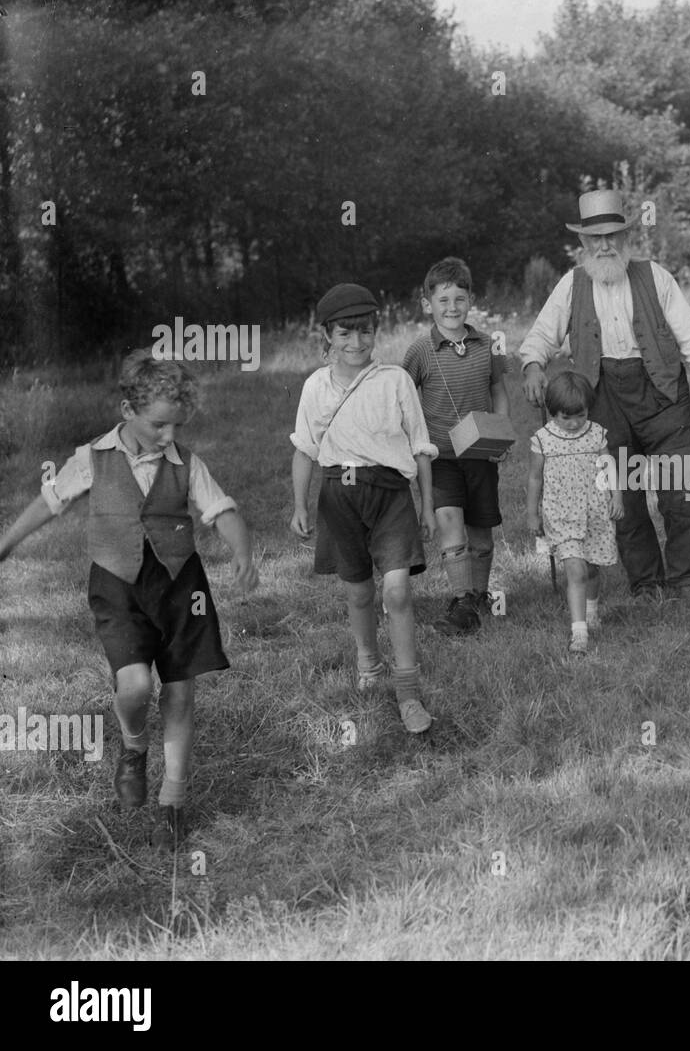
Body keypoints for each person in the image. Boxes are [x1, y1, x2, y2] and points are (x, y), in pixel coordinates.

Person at [0, 351, 258, 847]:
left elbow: (222, 510)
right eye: (159, 426)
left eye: (176, 426)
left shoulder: (187, 463)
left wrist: (242, 550)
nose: (168, 437)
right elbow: (49, 502)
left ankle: (173, 801)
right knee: (136, 686)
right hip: (117, 587)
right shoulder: (92, 457)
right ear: (127, 411)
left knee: (180, 691)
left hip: (182, 590)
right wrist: (7, 544)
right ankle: (134, 746)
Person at [518, 190, 690, 603]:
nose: (604, 245)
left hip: (662, 392)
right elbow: (542, 335)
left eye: (612, 236)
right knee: (624, 494)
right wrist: (533, 367)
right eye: (595, 238)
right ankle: (646, 583)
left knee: (681, 487)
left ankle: (687, 579)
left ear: (625, 236)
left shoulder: (655, 275)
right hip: (601, 397)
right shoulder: (572, 283)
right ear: (583, 242)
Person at [289, 283, 438, 733]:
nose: (356, 344)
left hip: (390, 493)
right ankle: (368, 663)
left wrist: (427, 506)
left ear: (377, 332)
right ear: (327, 337)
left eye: (365, 333)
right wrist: (299, 504)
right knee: (358, 591)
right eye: (344, 334)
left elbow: (420, 448)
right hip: (340, 495)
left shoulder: (394, 380)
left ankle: (408, 692)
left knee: (396, 591)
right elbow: (304, 450)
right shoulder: (315, 386)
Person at [401, 257, 511, 636]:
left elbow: (498, 388)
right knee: (449, 521)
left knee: (480, 530)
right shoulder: (418, 352)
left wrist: (501, 432)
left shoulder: (487, 345)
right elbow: (404, 397)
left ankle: (479, 595)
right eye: (443, 300)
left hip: (479, 453)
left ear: (471, 301)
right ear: (427, 304)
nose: (452, 308)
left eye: (459, 299)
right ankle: (462, 598)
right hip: (440, 456)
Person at [526, 371, 624, 654]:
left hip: (594, 510)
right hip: (561, 513)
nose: (573, 423)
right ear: (551, 412)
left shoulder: (596, 433)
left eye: (580, 415)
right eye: (564, 417)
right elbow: (535, 478)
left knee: (591, 567)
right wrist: (533, 513)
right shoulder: (543, 438)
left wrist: (617, 496)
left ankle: (591, 611)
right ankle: (578, 632)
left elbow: (609, 467)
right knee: (576, 569)